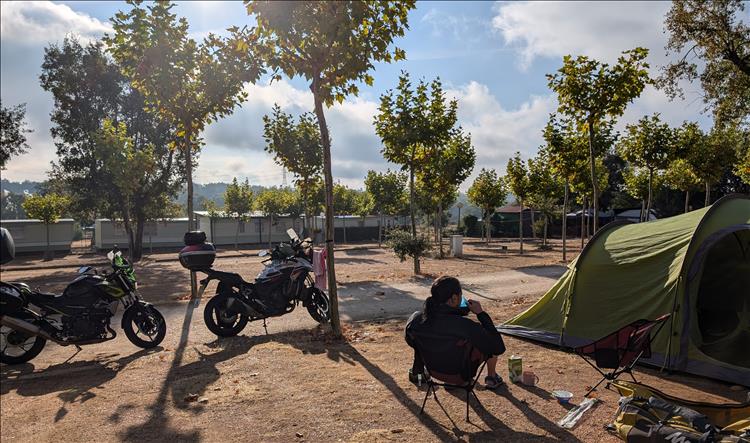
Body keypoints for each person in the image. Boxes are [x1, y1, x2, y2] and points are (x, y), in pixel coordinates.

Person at [405, 276, 506, 389]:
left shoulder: (417, 319)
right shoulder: (465, 326)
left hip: (434, 372)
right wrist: (481, 314)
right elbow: (498, 347)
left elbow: (411, 341)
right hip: (460, 375)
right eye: (460, 295)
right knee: (488, 338)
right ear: (454, 298)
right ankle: (491, 377)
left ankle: (449, 381)